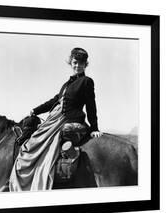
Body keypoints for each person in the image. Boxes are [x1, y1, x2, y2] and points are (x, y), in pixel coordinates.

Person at [9, 47, 102, 191]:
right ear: (71, 62)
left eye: (81, 63)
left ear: (85, 64)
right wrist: (36, 110)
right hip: (53, 119)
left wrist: (94, 128)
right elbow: (55, 100)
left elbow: (91, 105)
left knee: (44, 146)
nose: (78, 66)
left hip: (67, 119)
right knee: (32, 142)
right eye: (75, 62)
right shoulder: (67, 84)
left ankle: (43, 174)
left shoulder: (87, 81)